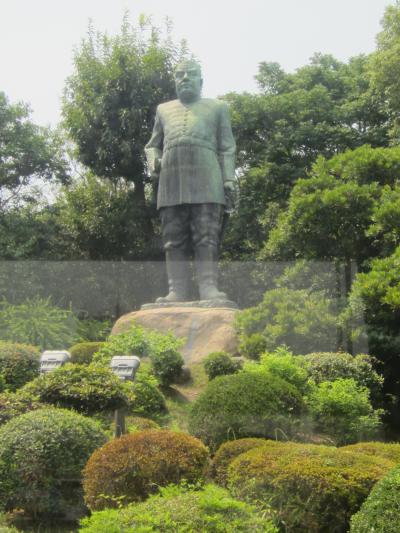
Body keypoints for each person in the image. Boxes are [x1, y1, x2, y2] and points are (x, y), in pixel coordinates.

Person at [145, 59, 236, 302]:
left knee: (207, 234)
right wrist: (153, 161)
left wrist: (229, 179)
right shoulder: (163, 109)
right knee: (173, 238)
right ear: (175, 80)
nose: (185, 78)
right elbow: (152, 146)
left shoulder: (218, 107)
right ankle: (177, 290)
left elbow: (227, 147)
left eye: (191, 74)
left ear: (201, 81)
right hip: (171, 179)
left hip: (207, 176)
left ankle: (208, 287)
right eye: (180, 74)